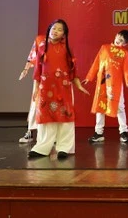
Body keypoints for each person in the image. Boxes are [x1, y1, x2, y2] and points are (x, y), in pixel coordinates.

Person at [28, 19, 88, 159]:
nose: (55, 31)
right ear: (49, 29)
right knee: (46, 116)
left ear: (64, 34)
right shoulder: (42, 47)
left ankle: (64, 147)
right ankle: (42, 147)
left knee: (65, 116)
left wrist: (78, 85)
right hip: (45, 87)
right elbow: (38, 70)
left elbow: (73, 70)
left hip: (64, 87)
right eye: (54, 28)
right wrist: (36, 89)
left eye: (60, 30)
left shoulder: (66, 49)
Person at [84, 30, 128, 144]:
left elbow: (126, 69)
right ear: (116, 35)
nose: (118, 40)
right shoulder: (104, 48)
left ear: (125, 44)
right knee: (100, 106)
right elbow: (96, 63)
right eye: (118, 36)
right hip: (102, 82)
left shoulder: (124, 53)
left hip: (116, 83)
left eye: (122, 40)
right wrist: (89, 77)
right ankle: (98, 132)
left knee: (120, 106)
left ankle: (123, 132)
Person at [17, 37, 42, 144]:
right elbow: (32, 56)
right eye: (54, 28)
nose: (55, 31)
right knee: (35, 103)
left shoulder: (61, 44)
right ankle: (30, 131)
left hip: (55, 78)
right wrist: (26, 69)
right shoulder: (40, 40)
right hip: (40, 77)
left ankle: (51, 137)